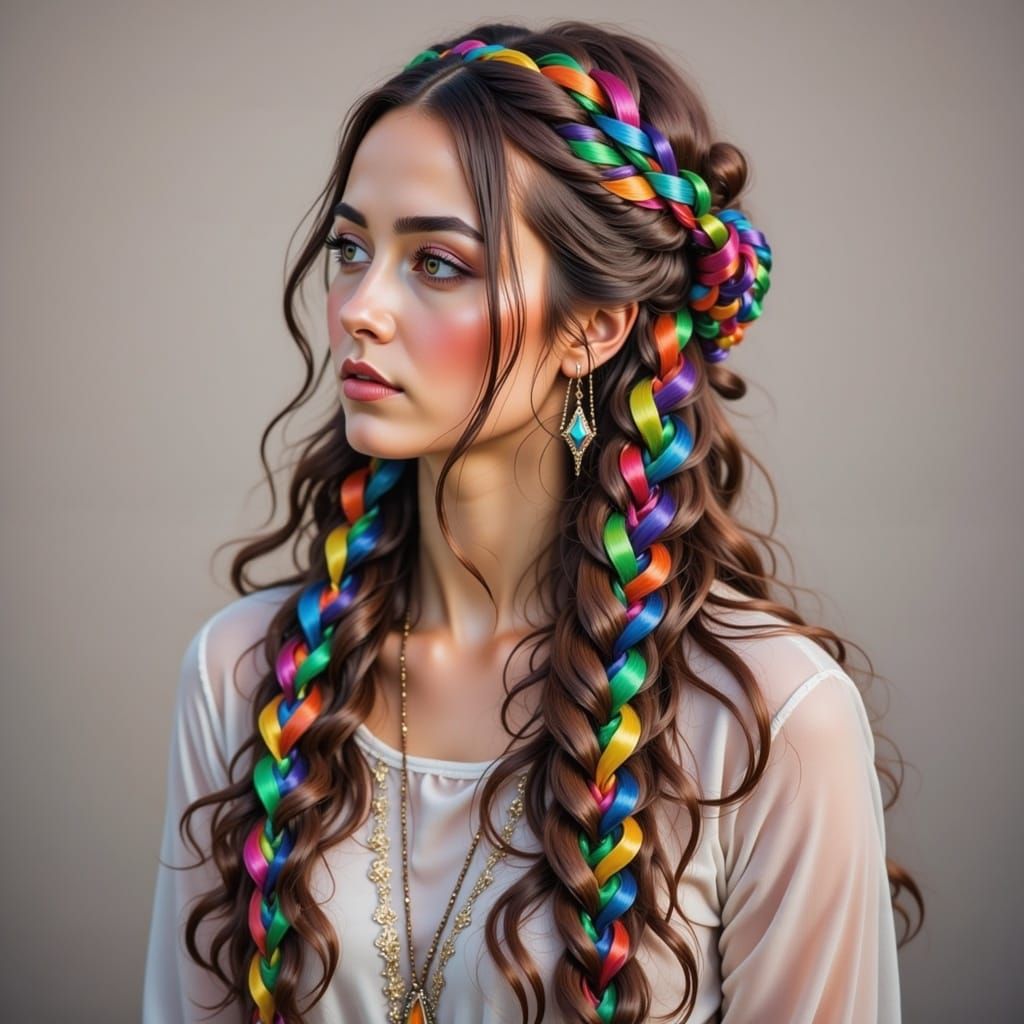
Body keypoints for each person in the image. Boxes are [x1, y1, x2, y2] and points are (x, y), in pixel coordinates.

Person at [142, 19, 924, 1024]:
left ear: (593, 327)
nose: (359, 308)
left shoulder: (766, 718)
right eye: (349, 248)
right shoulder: (243, 671)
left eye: (437, 265)